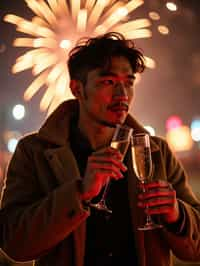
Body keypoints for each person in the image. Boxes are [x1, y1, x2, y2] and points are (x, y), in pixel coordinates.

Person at [0, 32, 200, 266]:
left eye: (129, 82)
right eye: (108, 82)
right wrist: (79, 193)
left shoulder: (156, 152)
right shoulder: (34, 152)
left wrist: (177, 215)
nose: (122, 95)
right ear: (77, 89)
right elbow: (13, 242)